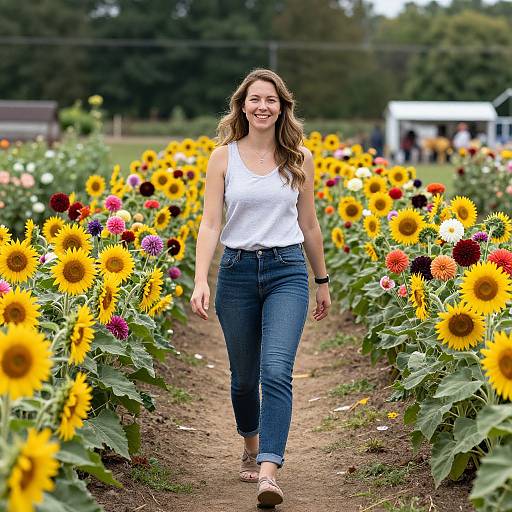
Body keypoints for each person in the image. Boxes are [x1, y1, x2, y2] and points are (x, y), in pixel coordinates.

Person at [189, 68, 331, 507]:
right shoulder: (222, 158)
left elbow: (309, 224)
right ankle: (250, 445)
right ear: (242, 106)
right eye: (255, 99)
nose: (263, 106)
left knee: (276, 371)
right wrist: (200, 279)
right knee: (243, 380)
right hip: (235, 272)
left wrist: (321, 280)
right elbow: (210, 222)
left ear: (282, 106)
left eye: (271, 99)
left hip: (287, 271)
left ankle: (269, 469)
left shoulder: (300, 158)